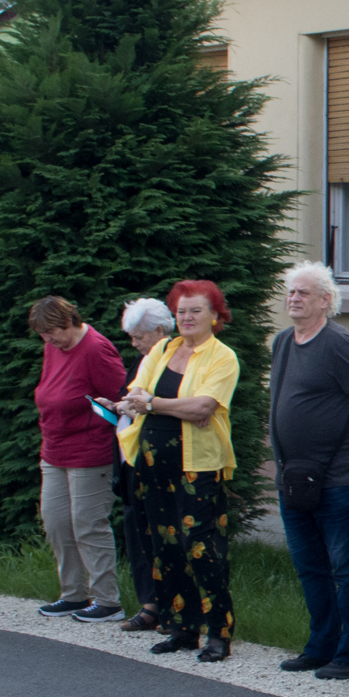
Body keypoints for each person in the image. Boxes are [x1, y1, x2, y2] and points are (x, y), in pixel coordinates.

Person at [118, 280, 241, 661]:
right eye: (181, 311)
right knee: (164, 547)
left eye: (195, 310)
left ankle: (218, 632)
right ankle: (182, 627)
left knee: (201, 548)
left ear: (215, 315)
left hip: (197, 466)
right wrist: (174, 406)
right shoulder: (163, 349)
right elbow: (134, 395)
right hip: (153, 461)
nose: (187, 317)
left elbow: (204, 407)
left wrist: (155, 404)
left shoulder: (222, 356)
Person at [270, 262, 349, 681]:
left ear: (325, 300)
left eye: (304, 293)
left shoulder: (339, 343)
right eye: (291, 292)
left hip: (337, 478)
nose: (294, 298)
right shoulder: (283, 342)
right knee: (309, 566)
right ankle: (321, 645)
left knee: (347, 569)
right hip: (294, 479)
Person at [30, 295, 128, 623]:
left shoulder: (96, 349)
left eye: (52, 333)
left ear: (69, 321)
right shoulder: (53, 347)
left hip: (90, 452)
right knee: (56, 522)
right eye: (43, 336)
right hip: (54, 450)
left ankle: (108, 601)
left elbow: (121, 398)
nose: (49, 340)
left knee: (88, 523)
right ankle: (73, 594)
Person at [116, 298, 175, 633]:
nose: (134, 343)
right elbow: (131, 399)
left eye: (139, 336)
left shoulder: (171, 359)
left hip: (159, 457)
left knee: (162, 533)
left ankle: (171, 608)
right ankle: (149, 603)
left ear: (158, 330)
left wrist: (135, 405)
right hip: (132, 456)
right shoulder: (142, 361)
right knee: (136, 529)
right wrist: (116, 405)